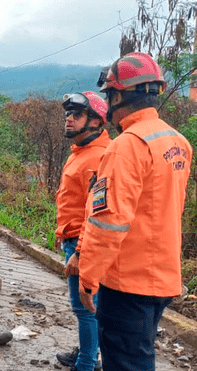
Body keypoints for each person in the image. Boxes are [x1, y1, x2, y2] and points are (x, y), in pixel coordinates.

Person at [78, 52, 193, 370]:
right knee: (139, 354)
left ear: (118, 95)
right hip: (162, 278)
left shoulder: (126, 146)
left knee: (127, 362)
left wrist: (88, 277)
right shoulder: (177, 142)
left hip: (128, 282)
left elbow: (109, 222)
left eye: (110, 96)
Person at [54, 91, 111, 371]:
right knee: (86, 306)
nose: (69, 119)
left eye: (77, 114)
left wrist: (78, 251)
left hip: (82, 241)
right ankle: (87, 353)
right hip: (72, 236)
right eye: (68, 114)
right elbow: (72, 201)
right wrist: (61, 233)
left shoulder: (97, 157)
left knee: (86, 307)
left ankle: (86, 364)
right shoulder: (80, 152)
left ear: (97, 122)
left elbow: (96, 211)